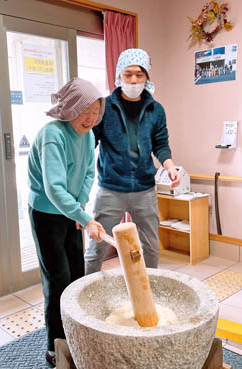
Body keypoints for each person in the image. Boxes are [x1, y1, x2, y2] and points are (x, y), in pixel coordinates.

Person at [28, 77, 106, 367]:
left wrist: (80, 210)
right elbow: (54, 188)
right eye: (85, 110)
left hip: (72, 212)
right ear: (70, 107)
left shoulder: (87, 135)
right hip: (47, 213)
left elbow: (88, 173)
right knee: (58, 278)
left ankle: (76, 333)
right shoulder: (53, 135)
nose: (91, 118)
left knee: (77, 274)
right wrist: (85, 219)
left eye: (96, 111)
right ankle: (54, 344)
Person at [85, 48, 180, 275]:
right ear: (118, 75)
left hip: (145, 190)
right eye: (128, 74)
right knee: (95, 246)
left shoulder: (156, 109)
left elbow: (161, 143)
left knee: (150, 247)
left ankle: (148, 295)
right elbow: (90, 144)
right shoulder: (104, 107)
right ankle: (85, 294)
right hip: (110, 189)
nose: (134, 80)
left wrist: (170, 166)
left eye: (139, 74)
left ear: (147, 76)